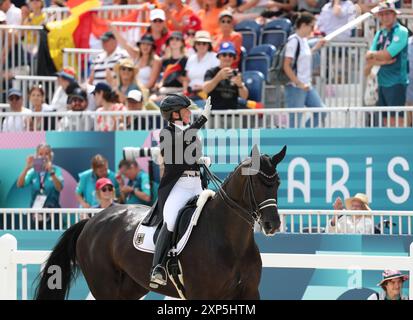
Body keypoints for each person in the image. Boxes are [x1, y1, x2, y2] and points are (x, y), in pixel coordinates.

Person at [149, 94, 212, 287]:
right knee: (170, 218)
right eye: (186, 110)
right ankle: (158, 266)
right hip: (178, 187)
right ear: (174, 113)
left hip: (196, 184)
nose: (189, 113)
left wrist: (201, 160)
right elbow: (178, 147)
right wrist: (201, 120)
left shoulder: (190, 132)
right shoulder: (165, 133)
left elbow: (190, 154)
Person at [365, 2, 409, 127]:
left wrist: (375, 56)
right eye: (382, 14)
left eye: (388, 13)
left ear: (394, 15)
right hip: (381, 81)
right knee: (384, 119)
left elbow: (388, 55)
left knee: (397, 119)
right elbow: (368, 57)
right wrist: (381, 60)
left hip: (397, 81)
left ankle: (398, 145)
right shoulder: (380, 33)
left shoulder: (401, 31)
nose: (385, 17)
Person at [283, 12, 326, 128]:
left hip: (306, 85)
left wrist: (316, 48)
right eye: (311, 26)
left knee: (321, 111)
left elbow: (303, 58)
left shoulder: (304, 41)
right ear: (303, 25)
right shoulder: (293, 41)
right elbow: (286, 65)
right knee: (295, 121)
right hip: (295, 86)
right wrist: (299, 83)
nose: (313, 29)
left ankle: (305, 134)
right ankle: (294, 143)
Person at [203, 41, 248, 110]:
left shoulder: (236, 74)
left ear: (233, 58)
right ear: (219, 57)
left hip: (232, 115)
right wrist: (218, 77)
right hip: (214, 114)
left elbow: (244, 97)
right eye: (224, 55)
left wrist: (240, 85)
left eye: (230, 55)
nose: (227, 58)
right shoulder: (211, 72)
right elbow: (205, 89)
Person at [16, 143, 64, 209]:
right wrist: (26, 168)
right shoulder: (33, 171)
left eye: (46, 153)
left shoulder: (56, 170)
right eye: (40, 154)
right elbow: (19, 185)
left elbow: (59, 188)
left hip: (53, 210)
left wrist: (51, 172)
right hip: (36, 211)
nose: (43, 156)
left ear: (51, 156)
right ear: (37, 156)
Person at [185, 30, 219, 104]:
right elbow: (187, 79)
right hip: (191, 94)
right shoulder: (191, 58)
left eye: (204, 43)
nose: (201, 45)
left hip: (208, 94)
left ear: (208, 45)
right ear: (195, 45)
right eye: (198, 43)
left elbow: (218, 78)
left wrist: (202, 87)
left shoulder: (214, 57)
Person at [153, 31, 188, 100]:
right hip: (164, 90)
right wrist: (159, 84)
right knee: (151, 99)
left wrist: (175, 74)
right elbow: (163, 78)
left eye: (177, 39)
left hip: (178, 91)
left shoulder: (186, 60)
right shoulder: (165, 61)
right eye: (171, 39)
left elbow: (186, 80)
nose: (174, 41)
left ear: (182, 43)